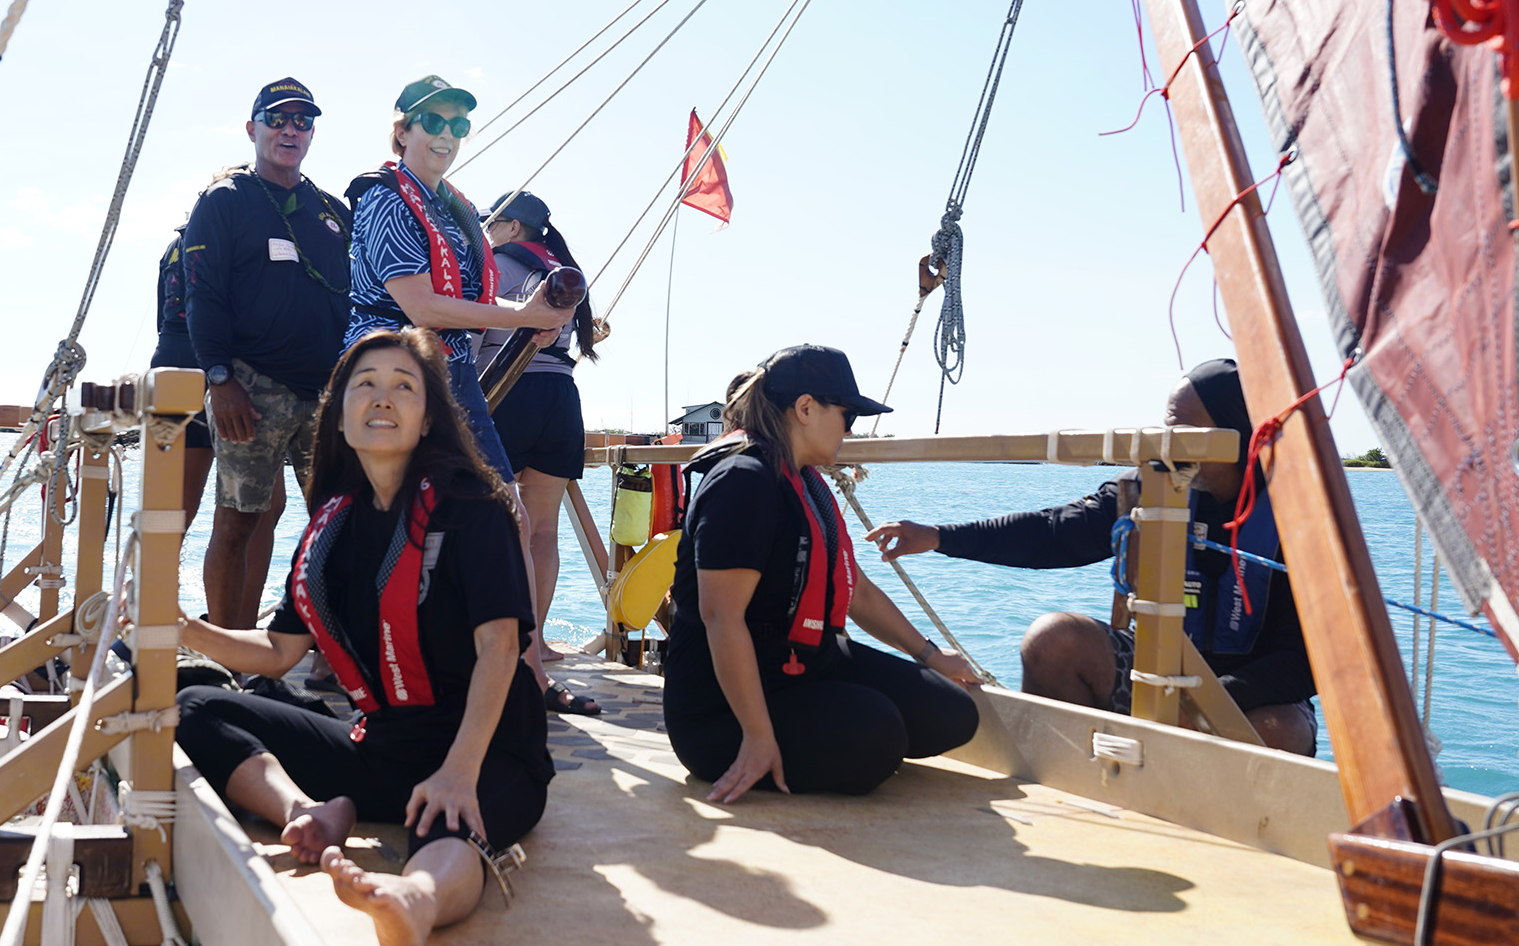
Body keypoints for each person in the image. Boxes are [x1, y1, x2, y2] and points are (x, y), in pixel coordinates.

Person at [174, 328, 553, 946]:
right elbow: (277, 651)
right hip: (381, 748)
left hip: (488, 752)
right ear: (341, 415)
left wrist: (459, 773)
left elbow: (500, 647)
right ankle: (311, 811)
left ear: (428, 417)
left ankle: (414, 903)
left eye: (404, 387)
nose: (383, 398)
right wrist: (185, 629)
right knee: (195, 707)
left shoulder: (472, 506)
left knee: (448, 821)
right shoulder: (331, 525)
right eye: (366, 384)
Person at [864, 358, 1318, 755]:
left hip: (1254, 694)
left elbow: (1305, 663)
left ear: (1237, 436)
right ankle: (1066, 784)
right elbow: (1053, 534)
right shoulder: (1149, 488)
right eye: (1167, 428)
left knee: (1284, 731)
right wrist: (939, 537)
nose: (1170, 444)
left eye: (1185, 433)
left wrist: (1207, 704)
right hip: (1155, 668)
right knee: (1053, 640)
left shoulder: (1300, 520)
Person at [342, 75, 592, 713]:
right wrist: (524, 320)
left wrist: (530, 316)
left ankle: (525, 675)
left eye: (459, 124)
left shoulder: (453, 204)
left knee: (500, 514)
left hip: (450, 378)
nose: (448, 135)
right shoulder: (383, 198)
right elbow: (419, 303)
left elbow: (472, 303)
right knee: (384, 517)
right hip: (391, 376)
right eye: (435, 122)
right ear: (403, 131)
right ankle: (351, 661)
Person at [666, 345, 981, 802]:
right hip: (716, 710)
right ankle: (775, 737)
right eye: (847, 415)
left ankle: (823, 724)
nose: (850, 429)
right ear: (806, 408)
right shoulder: (742, 481)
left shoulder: (806, 481)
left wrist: (932, 657)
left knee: (952, 714)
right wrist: (756, 736)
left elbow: (858, 592)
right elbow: (721, 617)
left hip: (806, 665)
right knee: (878, 739)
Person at [180, 78, 351, 627]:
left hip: (326, 395)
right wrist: (220, 377)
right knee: (237, 524)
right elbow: (201, 294)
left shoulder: (331, 210)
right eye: (278, 120)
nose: (291, 131)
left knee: (339, 526)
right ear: (253, 129)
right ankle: (231, 660)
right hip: (250, 391)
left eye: (303, 122)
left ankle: (329, 655)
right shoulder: (225, 200)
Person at [477, 190, 603, 663]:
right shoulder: (563, 273)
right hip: (561, 400)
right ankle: (537, 642)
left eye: (492, 225)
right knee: (543, 528)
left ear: (511, 228)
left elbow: (474, 336)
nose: (485, 234)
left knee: (499, 525)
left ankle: (500, 641)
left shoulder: (495, 267)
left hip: (507, 392)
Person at [154, 198, 283, 606]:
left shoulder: (178, 245)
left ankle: (153, 622)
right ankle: (229, 633)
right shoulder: (237, 238)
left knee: (175, 513)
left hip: (176, 371)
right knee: (257, 508)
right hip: (218, 374)